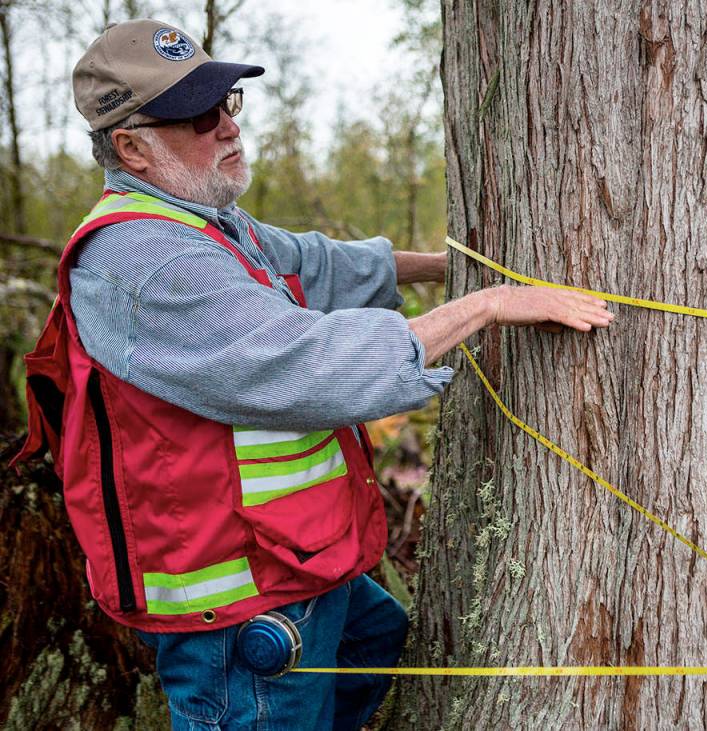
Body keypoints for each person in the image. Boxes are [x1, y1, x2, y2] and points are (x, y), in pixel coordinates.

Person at [11, 18, 612, 731]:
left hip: (288, 562)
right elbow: (309, 368)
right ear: (132, 147)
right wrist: (488, 306)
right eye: (196, 117)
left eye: (226, 104)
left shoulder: (200, 222)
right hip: (236, 606)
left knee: (378, 640)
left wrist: (458, 266)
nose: (226, 129)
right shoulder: (148, 260)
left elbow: (316, 264)